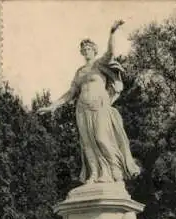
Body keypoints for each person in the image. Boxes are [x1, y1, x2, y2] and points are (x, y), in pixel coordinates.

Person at [38, 20, 140, 184]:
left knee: (101, 138)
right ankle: (94, 174)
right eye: (83, 49)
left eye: (89, 49)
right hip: (82, 108)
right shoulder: (80, 72)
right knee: (87, 144)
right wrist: (52, 106)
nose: (86, 51)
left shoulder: (100, 64)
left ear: (94, 50)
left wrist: (112, 32)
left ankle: (115, 172)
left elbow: (110, 52)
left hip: (99, 105)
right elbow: (71, 93)